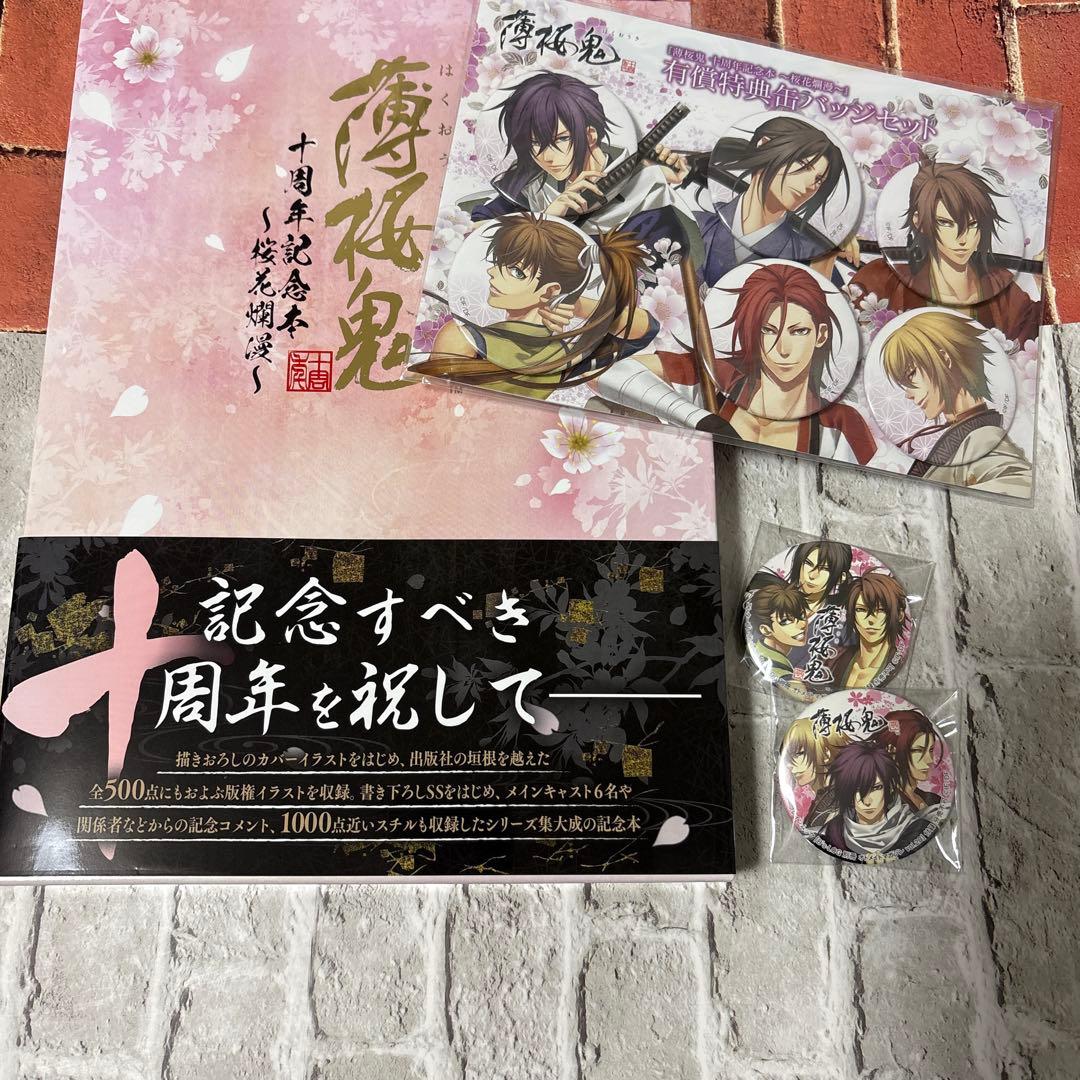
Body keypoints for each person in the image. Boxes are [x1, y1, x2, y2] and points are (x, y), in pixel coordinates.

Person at [594, 262, 877, 463]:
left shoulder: (840, 424)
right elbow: (604, 375)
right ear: (752, 332)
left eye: (799, 331)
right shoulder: (717, 378)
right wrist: (700, 419)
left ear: (821, 335)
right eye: (768, 330)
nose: (783, 350)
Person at [413, 214, 655, 398]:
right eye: (498, 262)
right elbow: (644, 330)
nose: (492, 272)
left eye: (516, 272)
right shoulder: (565, 356)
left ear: (550, 291)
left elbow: (646, 329)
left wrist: (577, 304)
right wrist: (580, 306)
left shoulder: (462, 337)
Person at [460, 71, 690, 251]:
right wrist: (545, 219)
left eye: (561, 139)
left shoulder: (647, 191)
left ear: (590, 135)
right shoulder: (531, 183)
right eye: (535, 143)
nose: (547, 156)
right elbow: (474, 235)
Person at [846, 156, 1041, 345]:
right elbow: (837, 335)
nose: (962, 239)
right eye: (946, 223)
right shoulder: (883, 281)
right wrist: (831, 253)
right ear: (919, 222)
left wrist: (1045, 285)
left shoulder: (1001, 292)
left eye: (973, 224)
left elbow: (1039, 346)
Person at [685, 115, 853, 286]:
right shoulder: (696, 224)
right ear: (764, 144)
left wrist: (823, 266)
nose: (809, 185)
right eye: (803, 164)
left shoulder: (810, 254)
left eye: (818, 180)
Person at [880, 309, 1032, 494]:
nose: (908, 394)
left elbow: (1022, 484)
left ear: (944, 358)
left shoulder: (983, 438)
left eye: (911, 374)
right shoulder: (961, 439)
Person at [813, 740, 932, 857]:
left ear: (890, 787)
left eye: (876, 788)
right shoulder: (833, 832)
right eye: (857, 789)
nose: (867, 801)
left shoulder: (916, 829)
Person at [828, 571, 909, 689]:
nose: (871, 620)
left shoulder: (899, 667)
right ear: (851, 614)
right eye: (861, 610)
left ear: (899, 615)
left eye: (881, 610)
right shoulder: (835, 660)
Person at [746, 581, 808, 685]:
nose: (802, 624)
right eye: (786, 621)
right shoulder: (778, 672)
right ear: (766, 630)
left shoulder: (760, 650)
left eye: (801, 615)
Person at [880, 709, 943, 812]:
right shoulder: (882, 803)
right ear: (892, 750)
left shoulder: (934, 800)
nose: (929, 760)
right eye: (918, 750)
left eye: (931, 750)